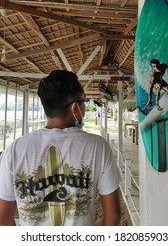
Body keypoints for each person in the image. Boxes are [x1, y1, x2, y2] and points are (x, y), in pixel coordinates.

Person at [0, 70, 121, 226]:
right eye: (84, 101)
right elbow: (113, 217)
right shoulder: (98, 147)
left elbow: (3, 219)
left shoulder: (14, 150)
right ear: (75, 108)